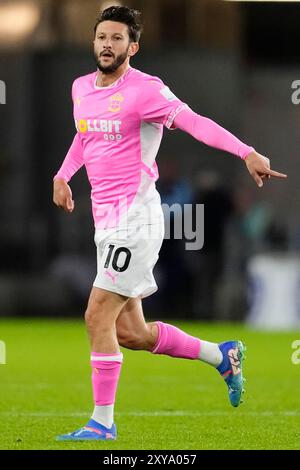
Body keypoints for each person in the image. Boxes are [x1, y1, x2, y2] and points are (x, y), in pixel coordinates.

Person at [53, 6, 287, 441]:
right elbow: (85, 135)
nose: (107, 44)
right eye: (102, 36)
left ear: (133, 46)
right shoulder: (81, 87)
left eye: (117, 38)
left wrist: (246, 152)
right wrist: (64, 175)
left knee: (97, 313)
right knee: (132, 333)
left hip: (136, 219)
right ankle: (222, 356)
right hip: (106, 222)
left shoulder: (147, 91)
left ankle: (102, 424)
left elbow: (195, 122)